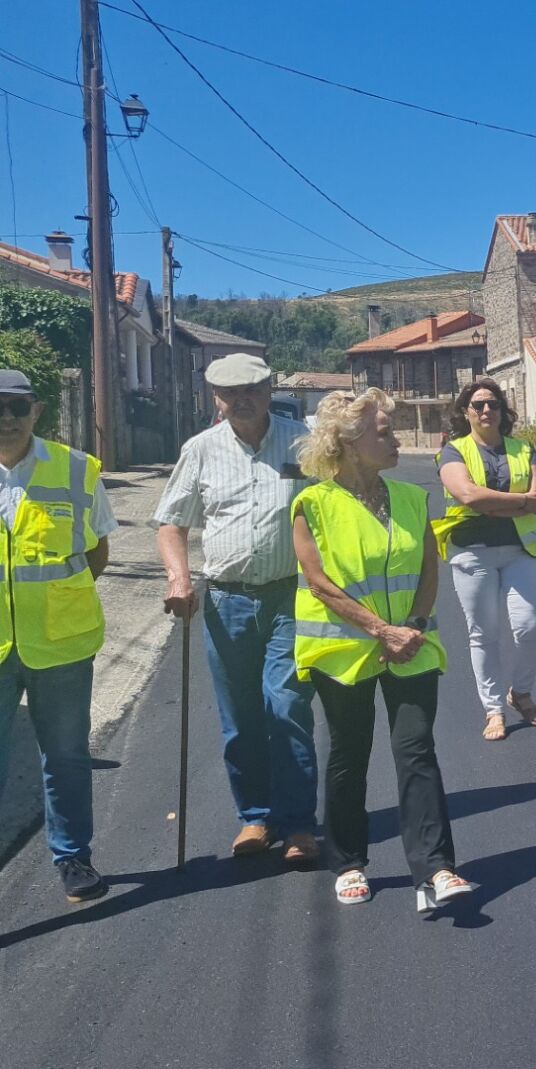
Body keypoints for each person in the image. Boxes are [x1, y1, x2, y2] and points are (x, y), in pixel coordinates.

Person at [291, 389, 470, 911]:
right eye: (385, 433)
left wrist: (411, 626)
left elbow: (430, 568)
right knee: (350, 754)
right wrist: (379, 630)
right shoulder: (313, 505)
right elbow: (319, 583)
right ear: (348, 443)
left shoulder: (412, 498)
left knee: (417, 749)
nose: (395, 441)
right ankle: (349, 861)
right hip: (343, 652)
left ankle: (435, 868)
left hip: (412, 644)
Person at [154, 352, 319, 865]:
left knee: (287, 706)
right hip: (226, 602)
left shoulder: (303, 443)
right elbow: (172, 524)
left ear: (269, 390)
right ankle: (256, 817)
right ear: (215, 398)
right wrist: (179, 578)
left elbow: (334, 509)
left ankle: (298, 824)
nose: (242, 400)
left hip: (292, 596)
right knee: (241, 718)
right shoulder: (200, 450)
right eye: (230, 393)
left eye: (252, 390)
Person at [0, 370, 112, 903]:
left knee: (65, 756)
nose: (6, 418)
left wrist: (58, 601)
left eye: (17, 407)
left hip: (61, 644)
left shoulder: (75, 469)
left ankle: (73, 858)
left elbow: (97, 552)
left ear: (37, 410)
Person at [434, 378, 536, 742]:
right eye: (478, 405)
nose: (487, 410)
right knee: (483, 633)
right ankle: (493, 709)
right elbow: (468, 496)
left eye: (493, 404)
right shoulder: (453, 451)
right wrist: (518, 503)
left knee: (530, 627)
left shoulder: (523, 448)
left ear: (503, 410)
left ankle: (521, 693)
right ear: (465, 412)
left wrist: (494, 504)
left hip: (520, 549)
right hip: (472, 551)